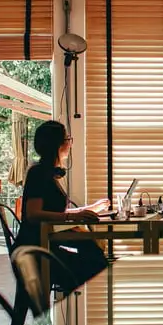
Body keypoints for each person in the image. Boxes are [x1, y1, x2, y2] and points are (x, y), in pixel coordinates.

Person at [15, 120, 109, 293]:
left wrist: (88, 209)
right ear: (58, 145)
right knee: (96, 264)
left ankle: (85, 308)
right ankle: (85, 309)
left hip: (44, 245)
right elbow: (33, 214)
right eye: (68, 138)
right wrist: (73, 216)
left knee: (93, 255)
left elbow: (53, 212)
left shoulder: (45, 171)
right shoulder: (38, 173)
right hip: (36, 252)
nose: (70, 143)